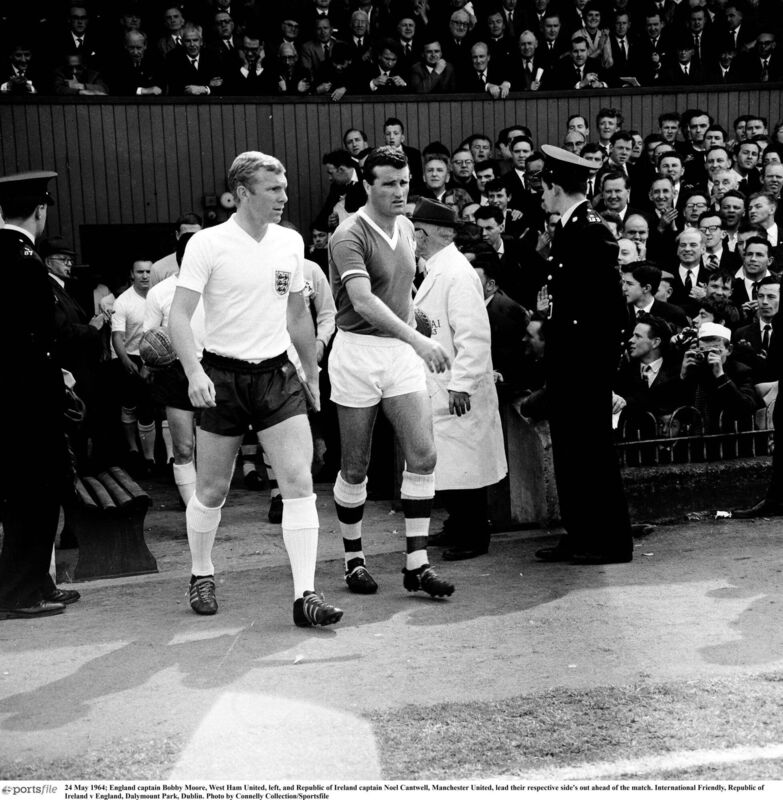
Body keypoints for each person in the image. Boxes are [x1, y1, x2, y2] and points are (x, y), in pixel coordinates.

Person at [168, 151, 342, 627]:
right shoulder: (207, 243)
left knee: (298, 484)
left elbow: (297, 314)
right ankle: (201, 572)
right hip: (221, 376)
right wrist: (194, 373)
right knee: (211, 489)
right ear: (243, 193)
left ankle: (305, 594)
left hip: (277, 376)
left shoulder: (290, 242)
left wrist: (312, 372)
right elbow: (178, 316)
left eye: (285, 189)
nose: (284, 198)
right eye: (274, 190)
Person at [328, 146, 455, 598]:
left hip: (399, 353)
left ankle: (417, 564)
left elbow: (402, 286)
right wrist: (417, 338)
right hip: (357, 354)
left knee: (423, 456)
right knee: (355, 466)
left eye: (404, 183)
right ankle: (353, 560)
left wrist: (415, 318)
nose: (400, 192)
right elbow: (363, 301)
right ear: (367, 185)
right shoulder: (347, 235)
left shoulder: (404, 226)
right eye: (389, 184)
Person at [534, 145, 633, 565]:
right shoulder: (570, 227)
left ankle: (610, 542)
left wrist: (598, 367)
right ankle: (580, 534)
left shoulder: (590, 231)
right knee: (572, 452)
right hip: (569, 360)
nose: (542, 196)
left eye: (544, 188)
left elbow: (610, 310)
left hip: (585, 364)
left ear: (556, 187)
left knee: (592, 453)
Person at [0, 171, 80, 619]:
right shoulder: (25, 260)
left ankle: (36, 582)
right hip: (29, 399)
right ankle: (20, 592)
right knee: (36, 495)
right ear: (40, 210)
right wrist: (56, 379)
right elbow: (35, 337)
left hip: (14, 395)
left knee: (26, 495)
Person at [411, 198, 507, 561]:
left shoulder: (457, 273)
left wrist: (461, 385)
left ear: (429, 234)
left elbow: (474, 336)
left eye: (417, 232)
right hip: (440, 384)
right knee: (449, 465)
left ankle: (473, 535)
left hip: (457, 387)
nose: (414, 239)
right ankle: (457, 525)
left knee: (466, 467)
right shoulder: (437, 269)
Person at [143, 232, 204, 507]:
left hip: (215, 368)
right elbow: (149, 338)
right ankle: (192, 506)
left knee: (213, 447)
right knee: (184, 447)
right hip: (175, 373)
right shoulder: (160, 292)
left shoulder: (219, 287)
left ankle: (208, 500)